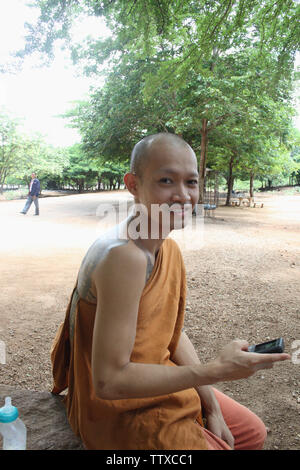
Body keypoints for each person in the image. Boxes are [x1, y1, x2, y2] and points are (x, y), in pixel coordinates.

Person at [51, 133, 290, 450]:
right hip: (120, 409)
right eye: (166, 180)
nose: (182, 195)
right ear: (133, 184)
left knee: (253, 433)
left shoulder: (167, 247)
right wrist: (214, 371)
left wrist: (212, 407)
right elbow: (108, 382)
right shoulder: (125, 257)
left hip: (156, 378)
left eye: (191, 182)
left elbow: (168, 331)